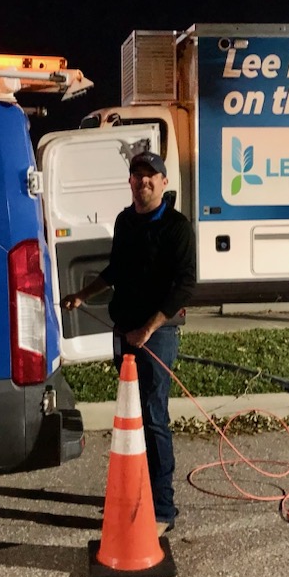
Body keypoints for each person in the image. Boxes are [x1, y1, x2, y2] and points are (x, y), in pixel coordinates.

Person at [61, 150, 196, 534]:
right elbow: (116, 269)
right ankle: (133, 496)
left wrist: (149, 329)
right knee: (130, 419)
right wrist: (83, 295)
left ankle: (163, 509)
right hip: (124, 333)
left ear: (163, 182)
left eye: (151, 175)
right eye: (137, 175)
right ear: (131, 182)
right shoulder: (125, 221)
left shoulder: (176, 227)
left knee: (154, 420)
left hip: (157, 335)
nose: (144, 181)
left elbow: (185, 285)